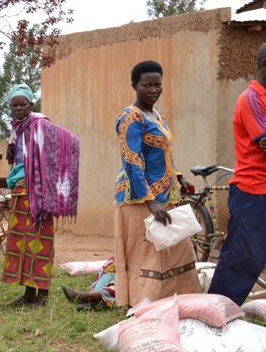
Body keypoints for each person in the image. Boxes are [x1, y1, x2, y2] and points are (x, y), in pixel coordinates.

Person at [113, 61, 201, 307]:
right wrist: (150, 202)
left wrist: (179, 177)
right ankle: (142, 305)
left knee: (174, 250)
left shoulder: (158, 115)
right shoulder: (131, 117)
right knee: (146, 255)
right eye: (147, 85)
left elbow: (163, 154)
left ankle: (173, 302)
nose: (153, 90)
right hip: (139, 200)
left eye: (157, 84)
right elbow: (131, 161)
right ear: (134, 85)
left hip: (165, 197)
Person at [2, 84, 80, 307]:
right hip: (20, 189)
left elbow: (69, 141)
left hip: (39, 194)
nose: (18, 108)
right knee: (23, 244)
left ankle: (42, 295)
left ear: (31, 104)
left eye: (22, 104)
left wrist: (47, 175)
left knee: (40, 243)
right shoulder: (17, 129)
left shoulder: (40, 124)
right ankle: (28, 294)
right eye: (14, 105)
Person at [208, 43, 266, 305]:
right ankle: (215, 313)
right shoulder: (251, 98)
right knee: (242, 259)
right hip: (253, 191)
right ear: (264, 65)